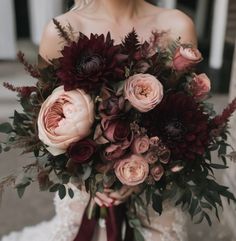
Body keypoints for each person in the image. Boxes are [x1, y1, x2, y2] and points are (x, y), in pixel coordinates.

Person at [2, 1, 197, 240]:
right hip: (89, 190)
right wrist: (91, 180)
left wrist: (140, 172)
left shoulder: (177, 25)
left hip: (155, 188)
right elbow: (47, 122)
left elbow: (189, 121)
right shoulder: (62, 31)